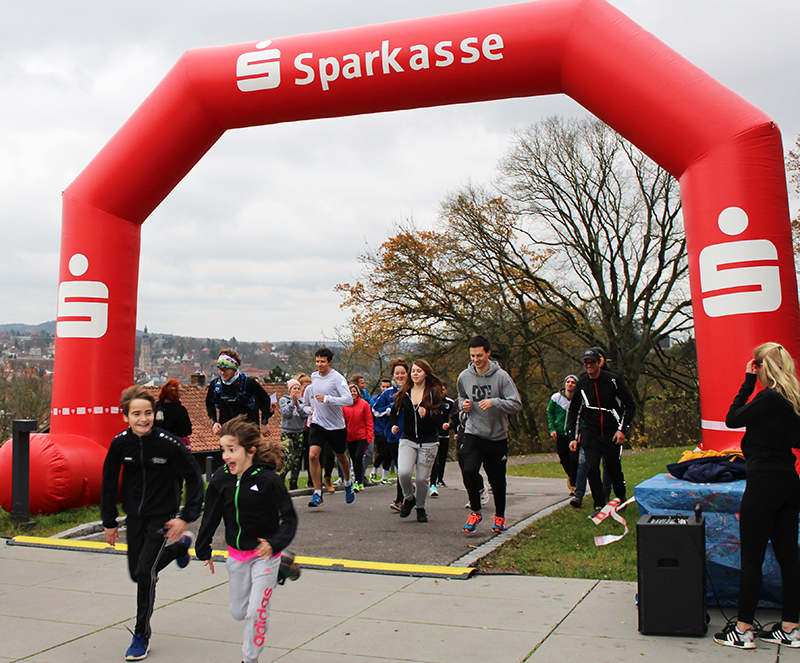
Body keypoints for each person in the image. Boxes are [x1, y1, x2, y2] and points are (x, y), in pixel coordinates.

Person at [101, 385, 204, 661]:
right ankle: (179, 548)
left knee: (146, 573)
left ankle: (141, 635)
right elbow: (109, 481)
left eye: (148, 413)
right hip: (135, 515)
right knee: (137, 573)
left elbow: (195, 478)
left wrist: (185, 517)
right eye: (136, 414)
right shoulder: (120, 443)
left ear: (155, 414)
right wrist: (109, 521)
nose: (143, 419)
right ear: (126, 417)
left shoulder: (169, 444)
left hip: (164, 515)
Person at [714, 342, 800, 649]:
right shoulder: (793, 399)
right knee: (789, 558)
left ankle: (743, 629)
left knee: (751, 559)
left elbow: (733, 418)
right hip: (789, 480)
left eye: (758, 366)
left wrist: (747, 382)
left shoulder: (769, 398)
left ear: (764, 367)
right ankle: (791, 627)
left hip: (764, 482)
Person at [196, 415, 298, 663]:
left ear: (250, 451)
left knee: (255, 612)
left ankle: (249, 659)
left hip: (266, 555)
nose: (225, 456)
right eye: (223, 450)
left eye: (232, 450)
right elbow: (210, 515)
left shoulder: (269, 481)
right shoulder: (221, 480)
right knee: (239, 611)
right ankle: (284, 570)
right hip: (237, 556)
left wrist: (275, 544)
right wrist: (203, 548)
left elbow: (289, 519)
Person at [457, 335, 523, 534]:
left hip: (496, 436)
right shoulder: (464, 376)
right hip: (473, 432)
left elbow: (516, 405)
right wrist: (464, 405)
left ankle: (500, 517)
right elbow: (460, 397)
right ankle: (475, 512)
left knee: (497, 480)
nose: (476, 360)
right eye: (473, 356)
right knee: (468, 471)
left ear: (488, 353)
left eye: (480, 355)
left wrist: (494, 402)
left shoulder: (501, 376)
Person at [567, 348, 636, 515]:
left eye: (592, 362)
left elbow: (629, 405)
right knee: (591, 467)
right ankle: (599, 505)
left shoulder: (613, 380)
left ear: (599, 363)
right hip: (590, 432)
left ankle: (621, 498)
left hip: (611, 431)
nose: (589, 366)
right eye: (586, 363)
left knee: (613, 469)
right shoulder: (583, 383)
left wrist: (622, 430)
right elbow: (575, 410)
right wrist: (573, 437)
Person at [391, 360, 445, 523]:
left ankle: (420, 508)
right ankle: (409, 498)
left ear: (426, 374)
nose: (415, 374)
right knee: (404, 473)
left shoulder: (433, 393)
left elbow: (440, 420)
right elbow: (394, 411)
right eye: (413, 371)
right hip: (408, 439)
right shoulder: (405, 392)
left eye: (419, 371)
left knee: (422, 479)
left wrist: (427, 414)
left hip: (429, 442)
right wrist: (394, 424)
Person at [302, 347, 355, 507]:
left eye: (322, 362)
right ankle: (317, 492)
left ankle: (347, 482)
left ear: (330, 362)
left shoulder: (337, 378)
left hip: (336, 425)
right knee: (312, 456)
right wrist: (310, 409)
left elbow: (348, 400)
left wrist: (328, 399)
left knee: (340, 456)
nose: (319, 365)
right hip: (318, 422)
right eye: (317, 361)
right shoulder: (314, 376)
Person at [206, 349, 273, 436]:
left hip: (248, 430)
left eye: (226, 369)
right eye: (220, 369)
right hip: (227, 431)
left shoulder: (248, 383)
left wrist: (264, 422)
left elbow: (265, 399)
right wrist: (214, 422)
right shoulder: (215, 385)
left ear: (234, 368)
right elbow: (209, 403)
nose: (222, 373)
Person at [373, 359, 409, 510]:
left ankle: (402, 499)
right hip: (393, 434)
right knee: (401, 468)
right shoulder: (388, 393)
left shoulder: (412, 391)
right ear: (393, 375)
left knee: (404, 468)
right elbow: (375, 409)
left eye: (402, 373)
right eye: (397, 373)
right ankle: (402, 498)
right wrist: (390, 409)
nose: (400, 376)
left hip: (410, 435)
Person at [547, 375, 578, 495]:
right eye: (568, 382)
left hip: (574, 435)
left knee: (574, 459)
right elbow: (550, 412)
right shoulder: (556, 398)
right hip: (560, 433)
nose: (570, 384)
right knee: (564, 459)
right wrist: (552, 428)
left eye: (573, 382)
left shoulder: (579, 399)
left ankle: (574, 486)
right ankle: (571, 476)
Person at [343, 382, 374, 492]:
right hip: (350, 437)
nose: (352, 393)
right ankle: (359, 481)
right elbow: (343, 422)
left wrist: (369, 436)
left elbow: (369, 421)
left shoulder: (364, 404)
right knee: (353, 459)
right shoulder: (344, 406)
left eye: (354, 391)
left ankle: (357, 481)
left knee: (358, 457)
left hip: (362, 437)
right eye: (350, 391)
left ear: (358, 392)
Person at [279, 378, 308, 490]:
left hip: (298, 432)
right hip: (287, 432)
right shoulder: (284, 400)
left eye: (298, 388)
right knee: (289, 457)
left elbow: (305, 415)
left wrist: (298, 404)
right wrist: (292, 402)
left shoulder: (301, 401)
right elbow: (286, 413)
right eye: (294, 388)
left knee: (297, 459)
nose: (296, 391)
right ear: (289, 390)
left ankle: (293, 482)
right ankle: (281, 477)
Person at [429, 383, 455, 497]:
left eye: (443, 390)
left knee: (442, 457)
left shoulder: (450, 403)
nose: (441, 392)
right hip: (434, 434)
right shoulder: (432, 402)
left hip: (445, 433)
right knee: (434, 459)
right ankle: (432, 482)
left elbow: (455, 417)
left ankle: (441, 479)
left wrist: (450, 425)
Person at [155, 378, 192, 446]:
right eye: (181, 391)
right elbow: (187, 431)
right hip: (175, 445)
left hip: (158, 444)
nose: (182, 393)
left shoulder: (156, 408)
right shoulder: (180, 410)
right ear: (174, 393)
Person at [369, 378, 393, 483]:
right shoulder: (375, 399)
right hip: (379, 430)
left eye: (387, 387)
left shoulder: (392, 398)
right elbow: (372, 412)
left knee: (390, 454)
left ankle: (384, 476)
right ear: (381, 387)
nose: (385, 389)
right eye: (383, 387)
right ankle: (374, 472)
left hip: (390, 430)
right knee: (382, 453)